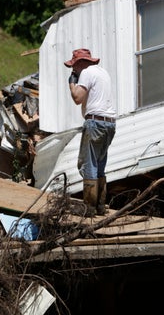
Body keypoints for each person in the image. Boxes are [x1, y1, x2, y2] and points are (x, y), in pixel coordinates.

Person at [64, 48, 116, 216]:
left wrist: (72, 83)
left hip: (95, 123)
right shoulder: (103, 73)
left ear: (80, 63)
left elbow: (77, 98)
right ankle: (100, 207)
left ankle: (90, 209)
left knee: (89, 164)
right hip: (109, 124)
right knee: (100, 164)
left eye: (73, 66)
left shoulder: (86, 72)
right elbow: (87, 104)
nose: (73, 70)